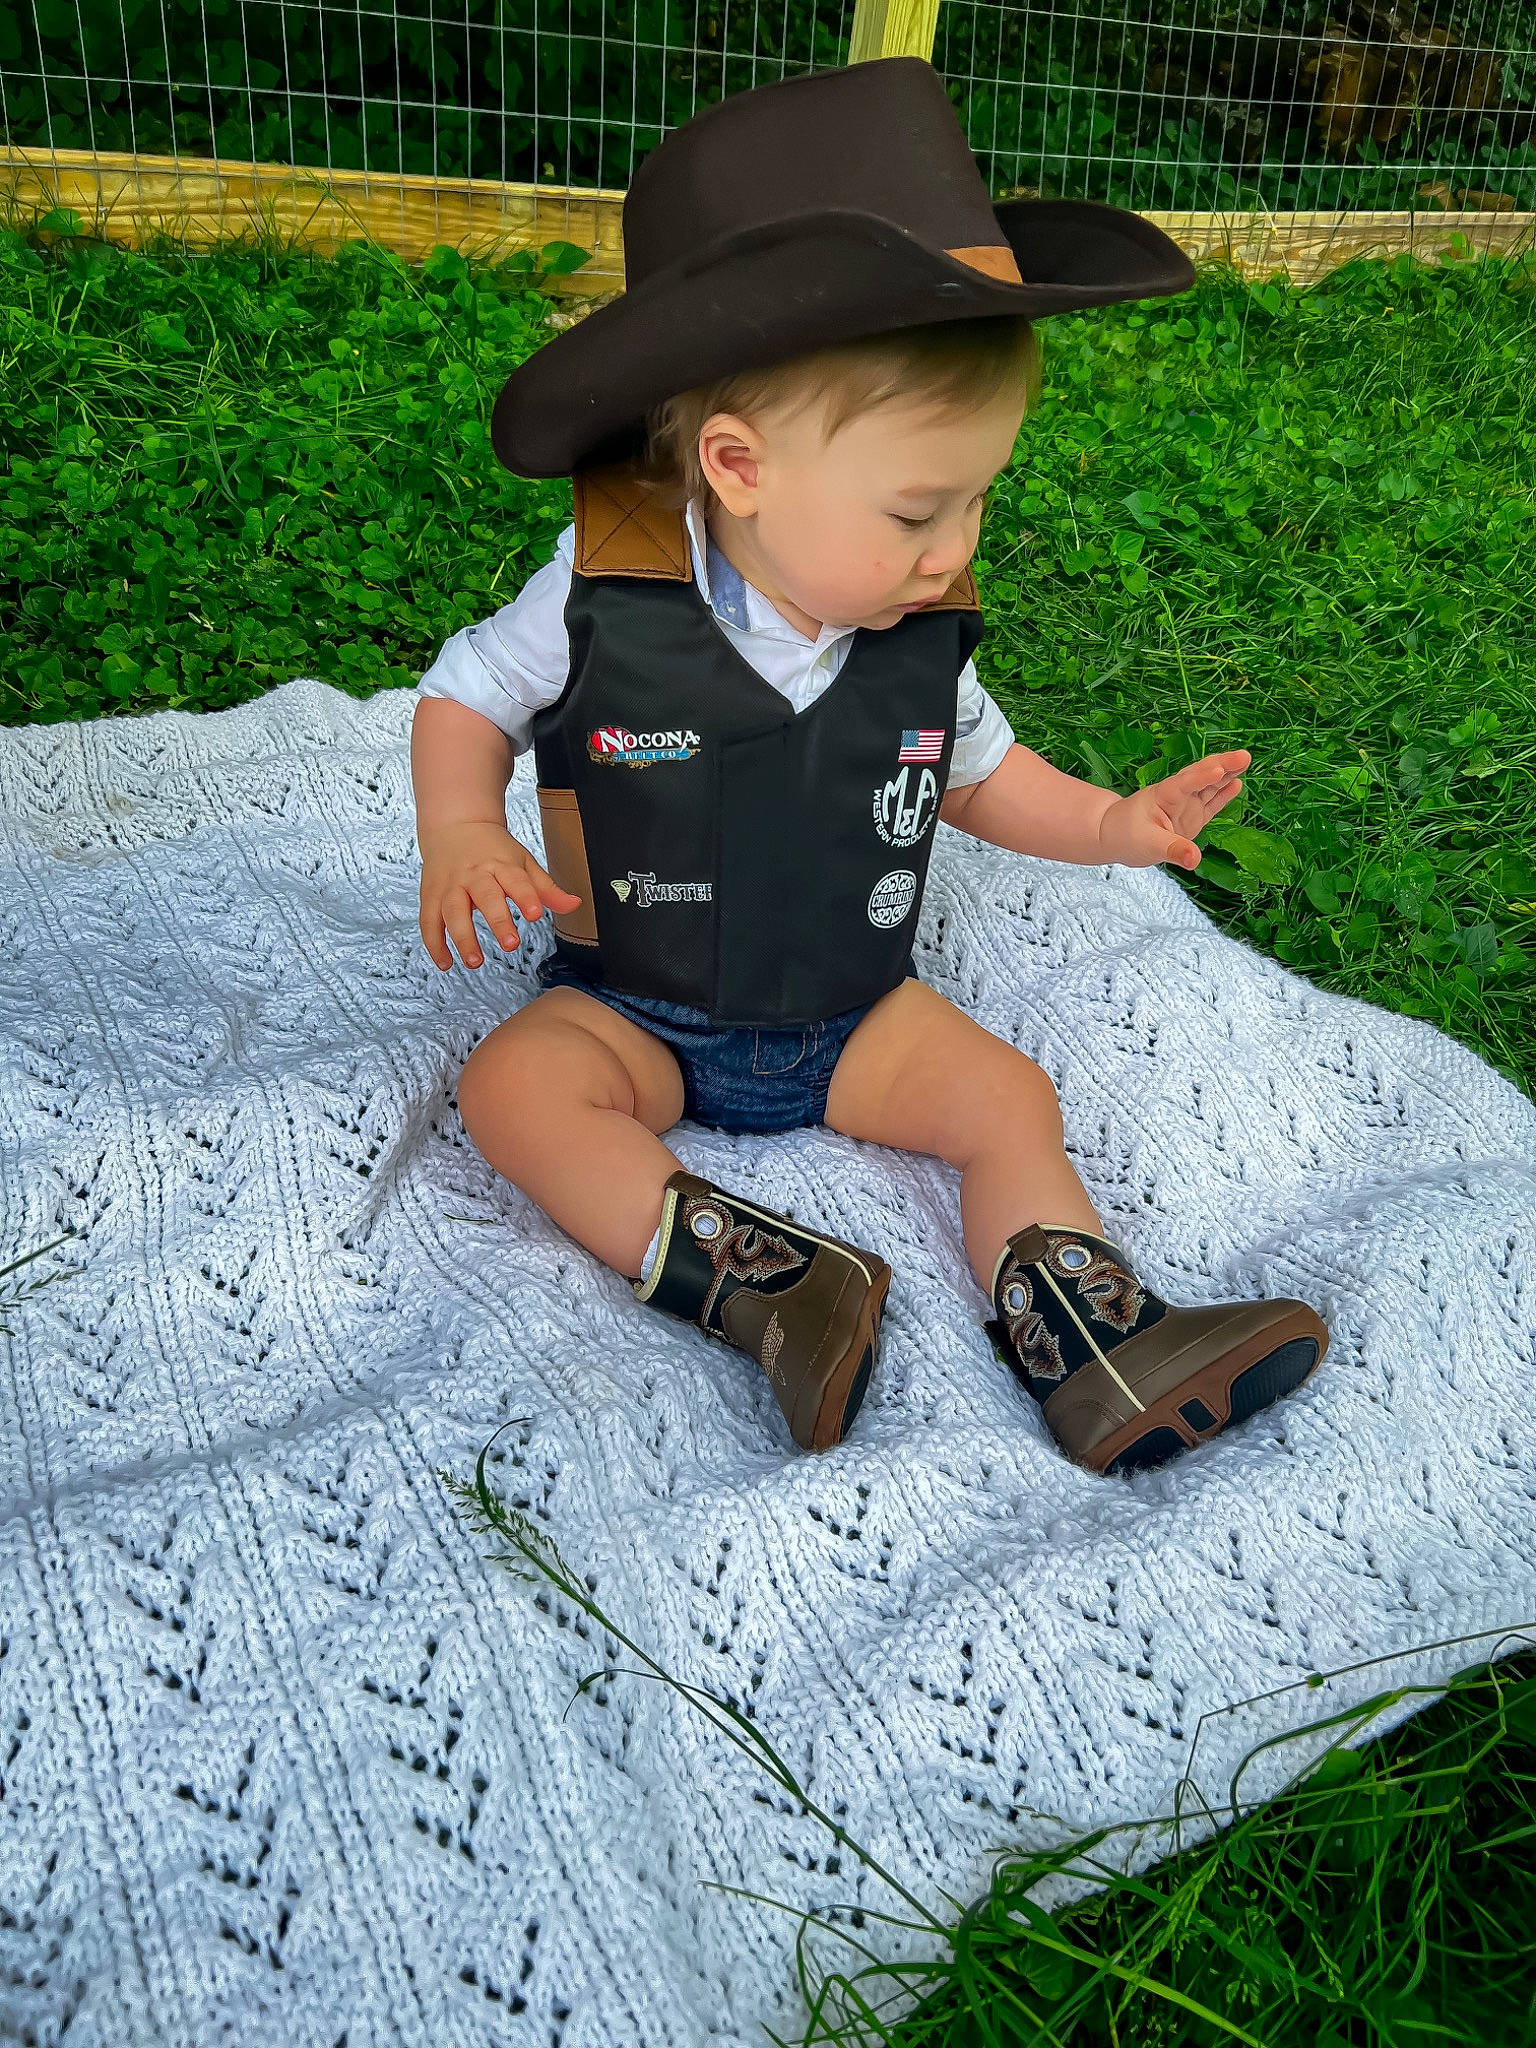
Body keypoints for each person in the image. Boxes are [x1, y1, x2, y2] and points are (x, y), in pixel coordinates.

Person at [411, 56, 1330, 1477]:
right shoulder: (612, 589)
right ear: (738, 466)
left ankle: (1091, 1336)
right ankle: (775, 1290)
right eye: (917, 507)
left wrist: (1112, 825)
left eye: (977, 499)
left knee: (1008, 1097)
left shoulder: (921, 638)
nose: (955, 546)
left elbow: (980, 778)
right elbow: (464, 698)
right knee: (516, 1092)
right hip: (635, 1010)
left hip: (857, 1017)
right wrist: (463, 828)